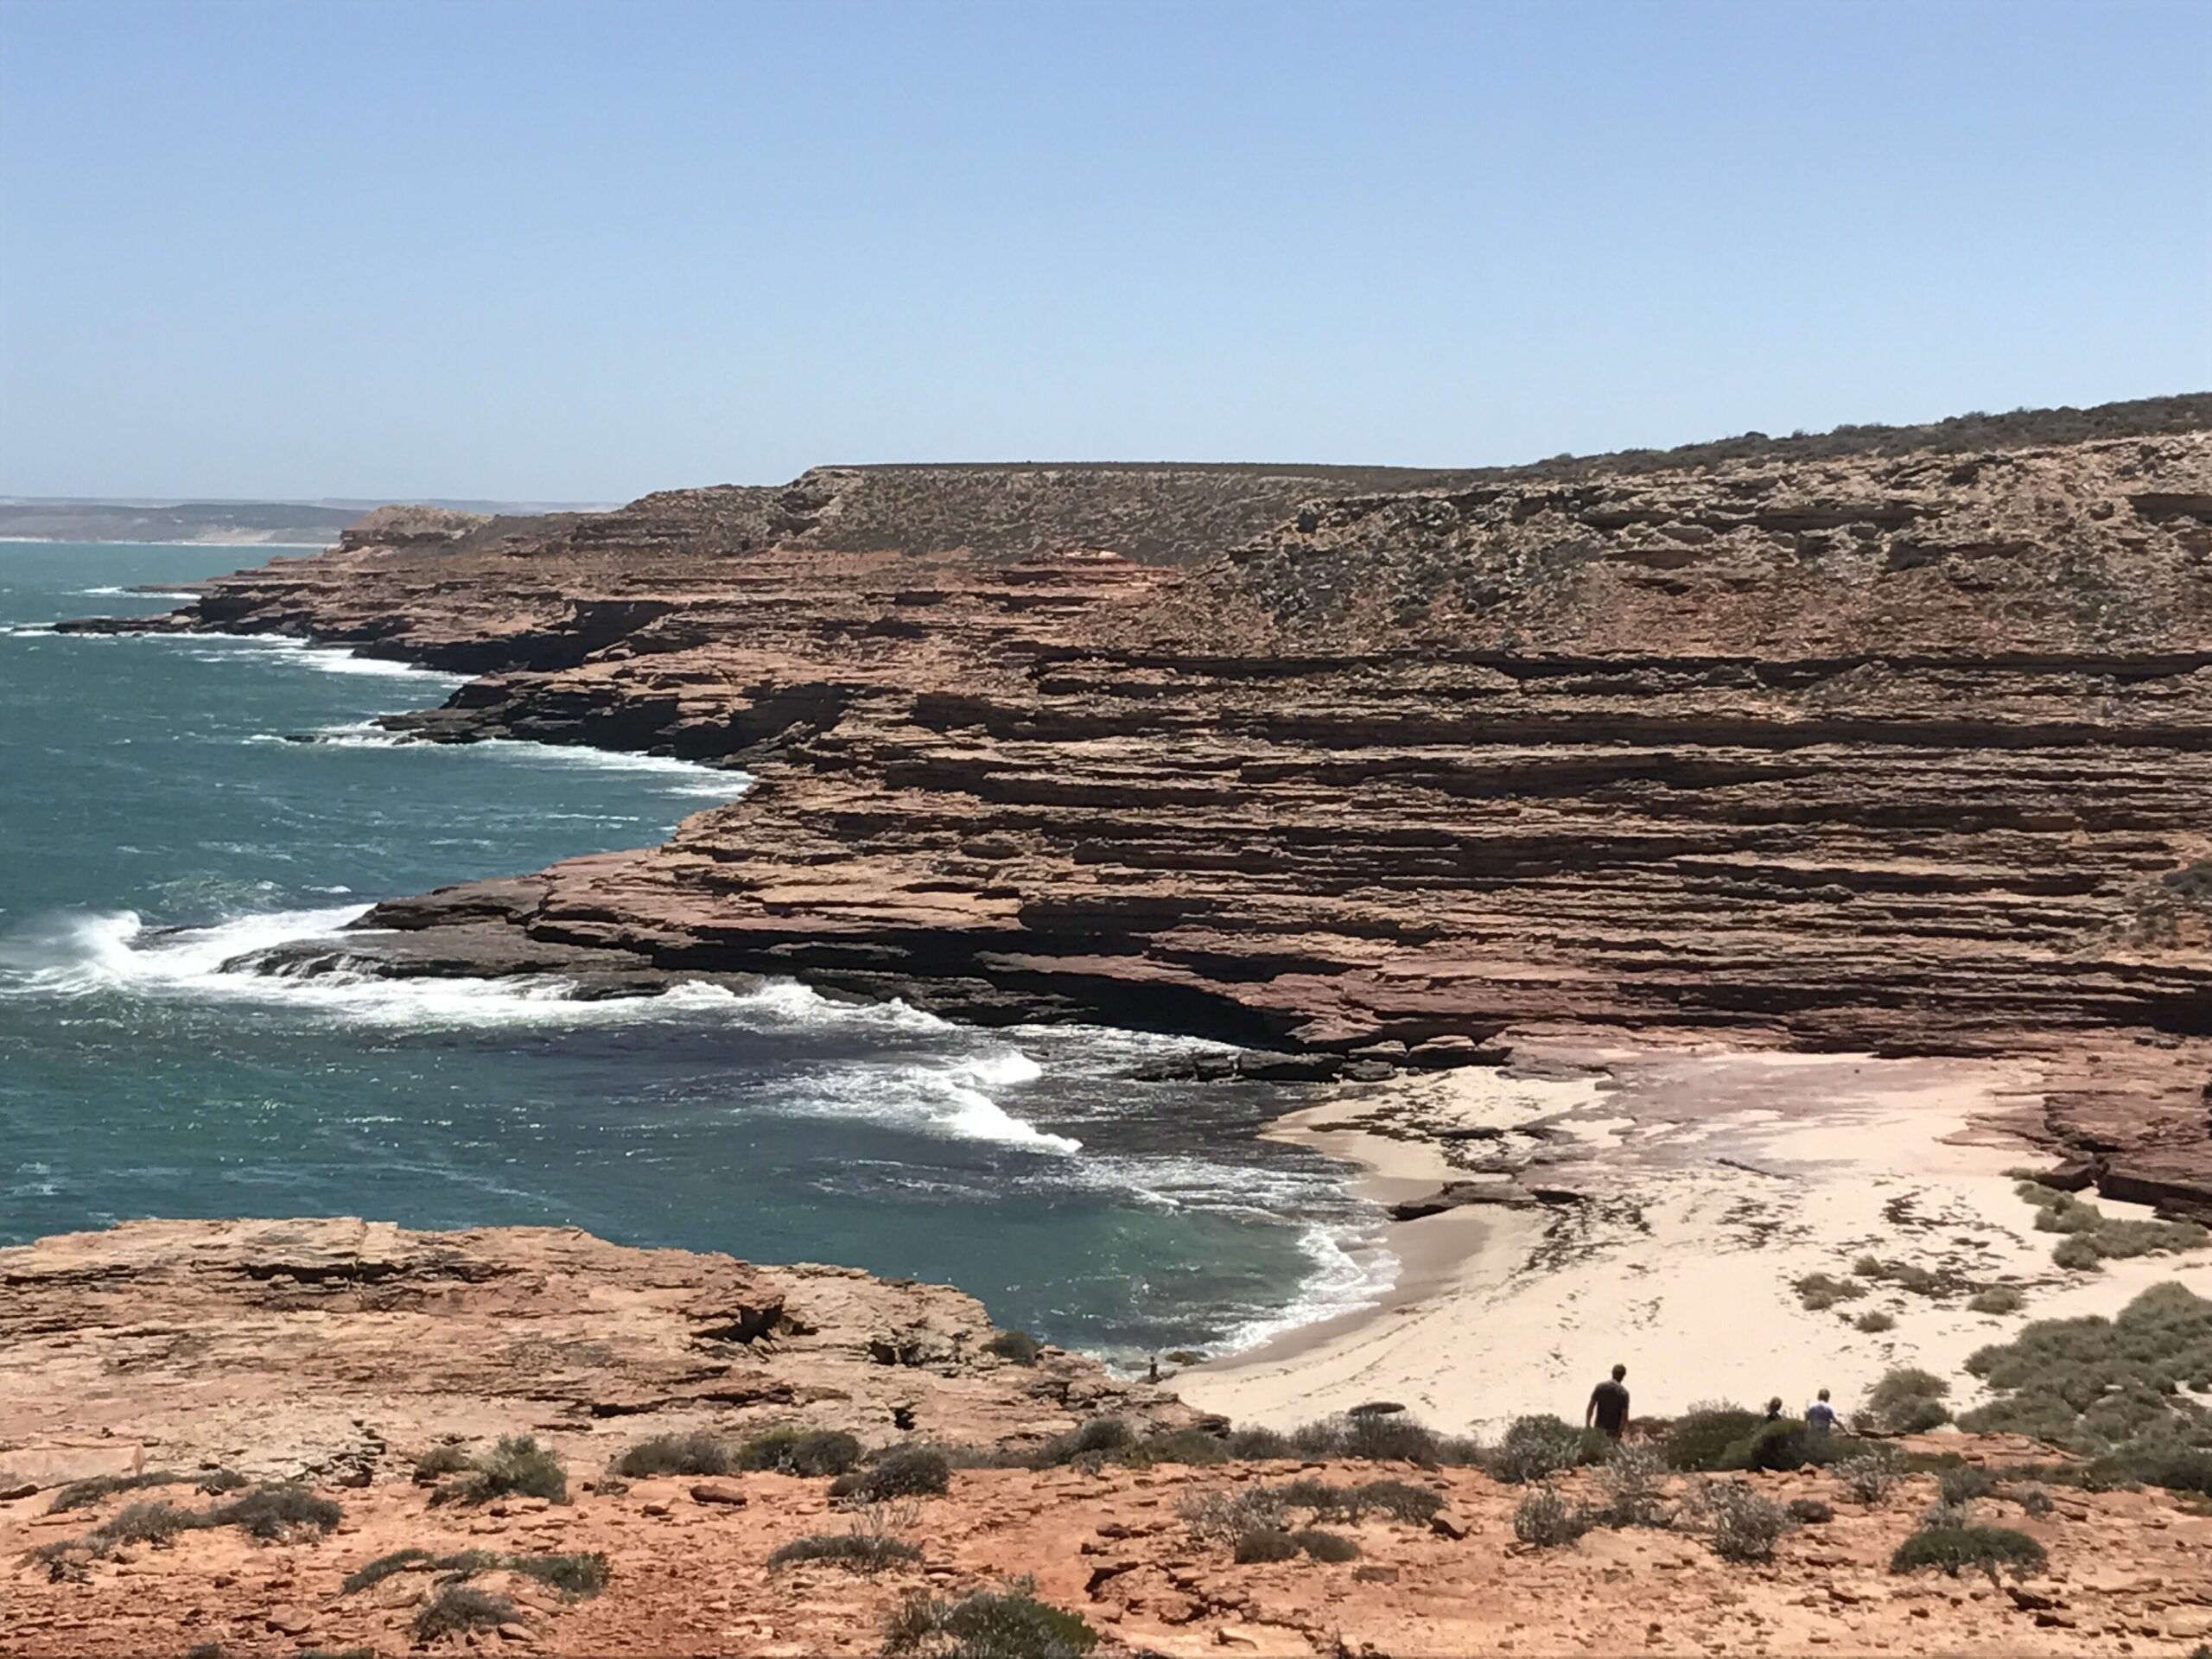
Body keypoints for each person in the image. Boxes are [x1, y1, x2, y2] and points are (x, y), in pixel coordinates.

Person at [1586, 1363, 1630, 1440]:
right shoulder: (1624, 1393)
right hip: (1613, 1432)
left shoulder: (1600, 1387)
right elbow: (1624, 1417)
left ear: (1612, 1373)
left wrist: (1588, 1424)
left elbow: (1591, 1407)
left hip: (1599, 1428)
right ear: (1623, 1376)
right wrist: (1619, 1434)